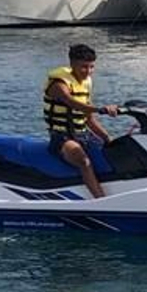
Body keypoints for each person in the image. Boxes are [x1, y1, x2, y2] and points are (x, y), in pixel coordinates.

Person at [44, 43, 121, 199]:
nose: (88, 71)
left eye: (91, 67)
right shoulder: (58, 85)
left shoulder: (85, 83)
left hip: (84, 134)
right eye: (84, 67)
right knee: (83, 161)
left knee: (115, 153)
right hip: (62, 136)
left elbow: (89, 119)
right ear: (72, 64)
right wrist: (100, 109)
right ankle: (101, 200)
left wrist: (107, 138)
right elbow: (71, 102)